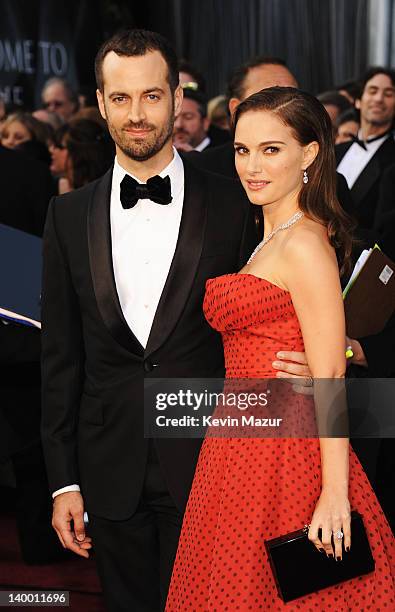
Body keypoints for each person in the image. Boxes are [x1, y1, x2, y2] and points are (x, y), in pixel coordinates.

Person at [41, 30, 310, 612]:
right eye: (121, 98)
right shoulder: (65, 216)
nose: (137, 116)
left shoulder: (239, 200)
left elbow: (303, 296)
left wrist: (330, 355)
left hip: (216, 460)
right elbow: (60, 358)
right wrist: (63, 480)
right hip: (107, 467)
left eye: (152, 97)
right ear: (100, 99)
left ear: (176, 94)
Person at [166, 88, 395, 610]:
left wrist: (335, 492)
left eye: (272, 150)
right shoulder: (270, 236)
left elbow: (331, 376)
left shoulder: (306, 245)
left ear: (309, 154)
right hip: (239, 438)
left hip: (286, 451)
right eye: (243, 150)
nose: (252, 166)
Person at [336, 67, 395, 235]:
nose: (379, 99)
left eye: (389, 94)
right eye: (372, 91)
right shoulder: (333, 151)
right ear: (358, 101)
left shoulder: (392, 161)